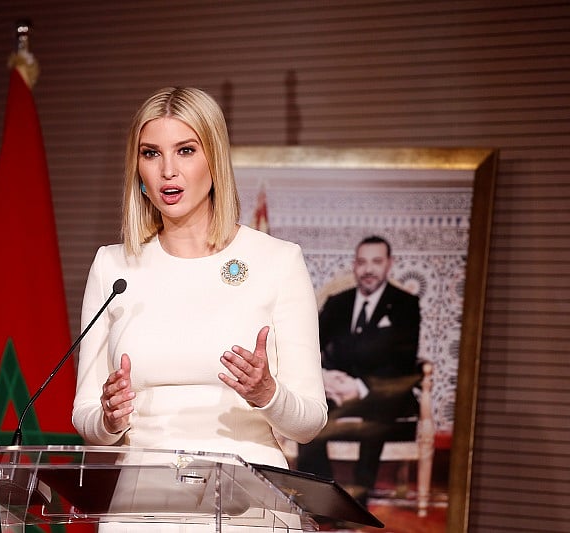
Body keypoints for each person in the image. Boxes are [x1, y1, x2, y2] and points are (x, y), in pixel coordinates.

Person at [72, 87, 328, 531]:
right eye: (151, 153)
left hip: (248, 506)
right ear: (137, 168)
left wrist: (267, 392)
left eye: (185, 150)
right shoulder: (112, 266)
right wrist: (110, 417)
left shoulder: (277, 260)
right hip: (141, 507)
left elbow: (309, 421)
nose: (168, 171)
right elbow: (87, 420)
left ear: (214, 158)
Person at [297, 235, 422, 507]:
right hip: (336, 387)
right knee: (309, 413)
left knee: (379, 408)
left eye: (376, 262)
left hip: (381, 392)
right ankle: (323, 501)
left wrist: (360, 386)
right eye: (362, 262)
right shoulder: (337, 303)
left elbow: (403, 362)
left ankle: (358, 501)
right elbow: (307, 344)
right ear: (354, 266)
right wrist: (324, 378)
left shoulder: (405, 305)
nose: (368, 269)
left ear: (389, 264)